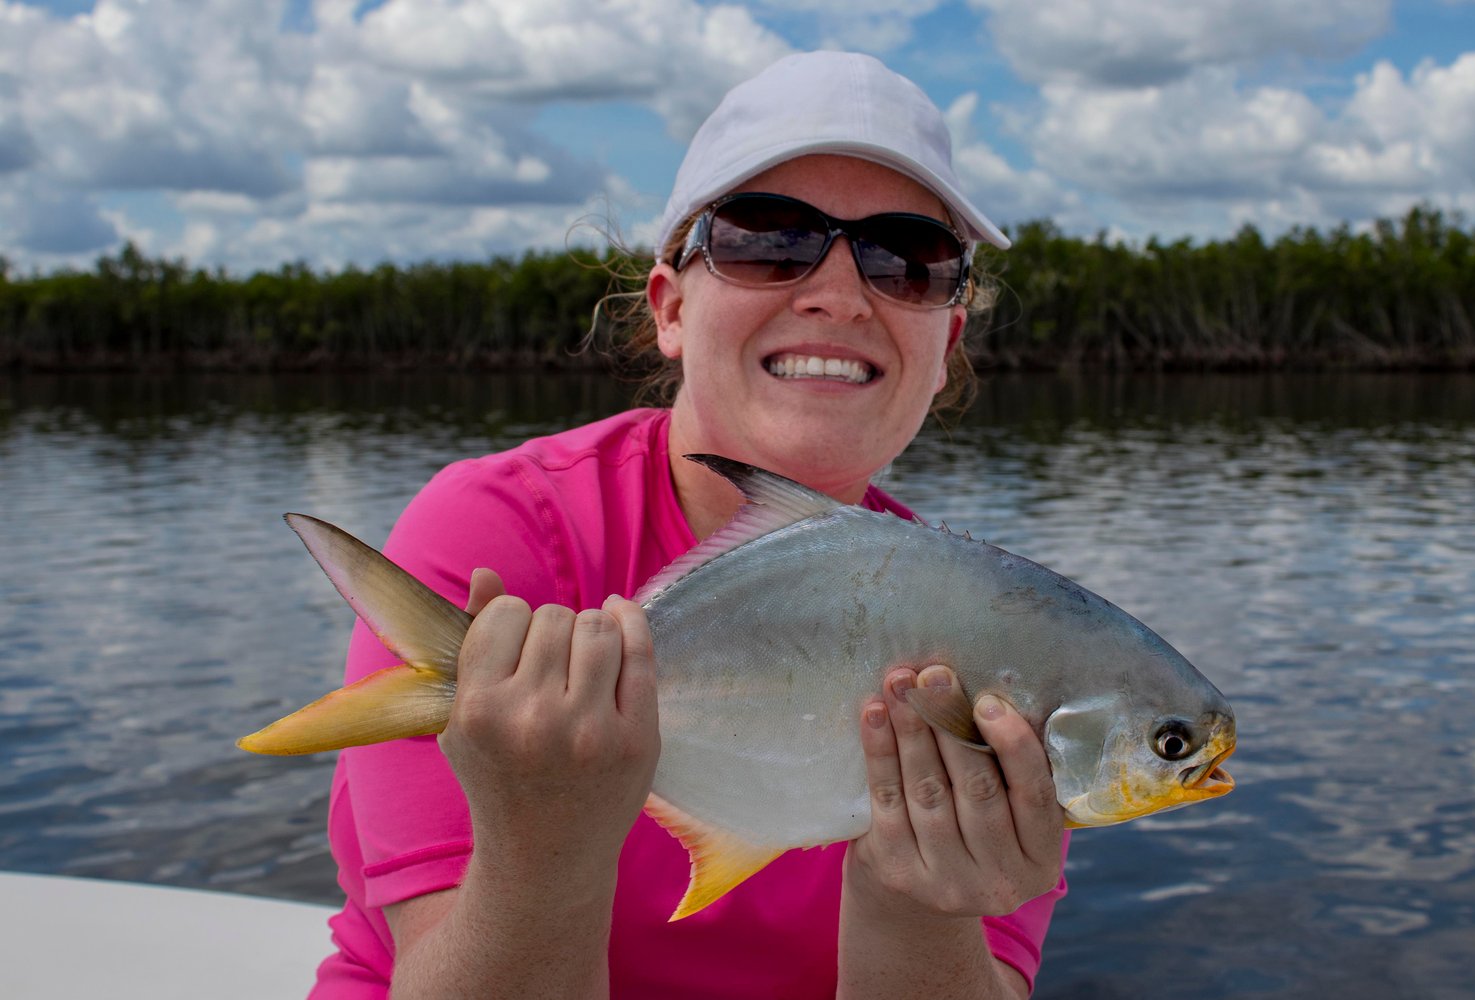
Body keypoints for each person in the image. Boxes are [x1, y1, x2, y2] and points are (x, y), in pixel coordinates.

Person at [311, 50, 1068, 999]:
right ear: (671, 308)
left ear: (944, 346)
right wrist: (543, 846)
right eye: (769, 239)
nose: (837, 293)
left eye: (907, 260)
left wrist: (918, 900)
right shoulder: (505, 532)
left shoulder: (1007, 636)